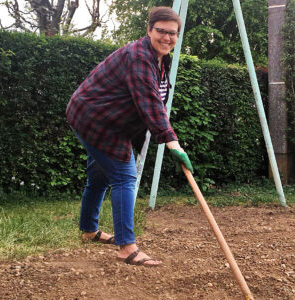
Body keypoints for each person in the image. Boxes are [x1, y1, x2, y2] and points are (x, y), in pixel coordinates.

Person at [66, 6, 193, 267]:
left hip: (108, 120)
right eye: (161, 31)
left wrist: (163, 134)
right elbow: (148, 100)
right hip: (95, 119)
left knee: (100, 176)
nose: (167, 38)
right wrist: (172, 141)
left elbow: (155, 99)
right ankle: (127, 247)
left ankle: (89, 231)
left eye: (173, 33)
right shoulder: (138, 55)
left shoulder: (160, 58)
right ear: (149, 30)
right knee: (125, 176)